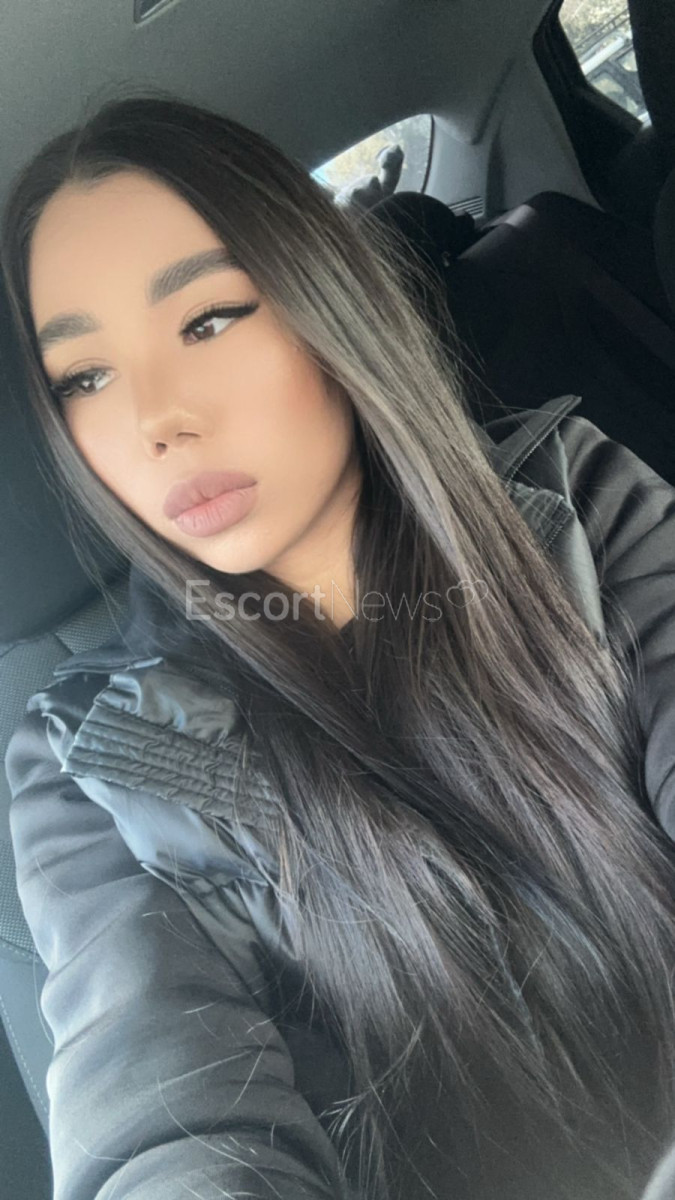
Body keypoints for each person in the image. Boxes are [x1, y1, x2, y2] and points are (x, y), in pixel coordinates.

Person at [2, 91, 675, 1200]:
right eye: (85, 376)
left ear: (328, 306)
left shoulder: (580, 503)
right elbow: (160, 1115)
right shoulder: (88, 766)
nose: (155, 418)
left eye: (207, 320)